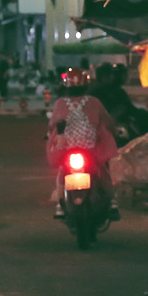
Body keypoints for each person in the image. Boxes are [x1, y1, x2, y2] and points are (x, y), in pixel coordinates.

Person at [46, 67, 118, 214]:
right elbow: (108, 122)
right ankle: (112, 202)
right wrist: (114, 131)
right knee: (103, 170)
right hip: (91, 150)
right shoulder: (94, 102)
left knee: (61, 173)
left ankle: (60, 204)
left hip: (66, 149)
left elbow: (52, 124)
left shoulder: (60, 103)